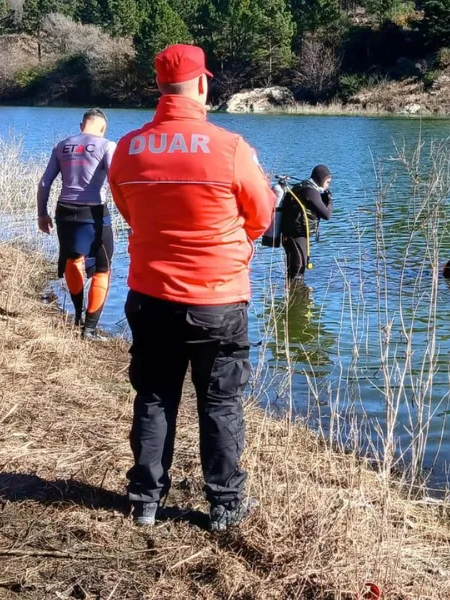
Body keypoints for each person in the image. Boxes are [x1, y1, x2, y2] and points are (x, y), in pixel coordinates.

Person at [108, 44, 275, 531]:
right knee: (220, 401)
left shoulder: (128, 149)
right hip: (217, 299)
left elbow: (129, 212)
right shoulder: (230, 148)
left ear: (159, 87)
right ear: (202, 84)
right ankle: (224, 504)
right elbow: (262, 216)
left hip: (150, 295)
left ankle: (144, 500)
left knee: (154, 395)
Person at [37, 108, 116, 340]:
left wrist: (42, 214)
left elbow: (44, 183)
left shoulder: (62, 146)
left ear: (82, 125)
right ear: (103, 128)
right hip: (94, 212)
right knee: (102, 268)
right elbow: (115, 181)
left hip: (64, 212)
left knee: (73, 259)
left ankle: (78, 315)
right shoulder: (107, 145)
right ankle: (89, 329)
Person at [281, 165, 332, 281]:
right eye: (327, 182)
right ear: (321, 179)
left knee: (295, 269)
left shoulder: (303, 187)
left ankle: (295, 291)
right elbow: (327, 215)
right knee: (298, 270)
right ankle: (297, 290)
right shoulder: (310, 191)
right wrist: (330, 200)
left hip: (292, 234)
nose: (328, 186)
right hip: (296, 235)